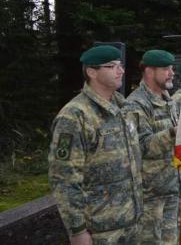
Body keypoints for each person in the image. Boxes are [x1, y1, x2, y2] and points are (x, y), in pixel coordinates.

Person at [48, 45, 143, 245]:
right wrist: (77, 231)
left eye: (121, 65)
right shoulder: (74, 116)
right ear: (92, 72)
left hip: (132, 223)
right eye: (112, 66)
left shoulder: (123, 107)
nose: (121, 71)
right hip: (100, 231)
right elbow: (64, 179)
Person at [125, 49, 180, 245]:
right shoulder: (136, 104)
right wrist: (174, 132)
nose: (171, 73)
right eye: (166, 68)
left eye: (171, 68)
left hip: (171, 186)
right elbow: (140, 147)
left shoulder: (166, 98)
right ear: (149, 71)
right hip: (150, 194)